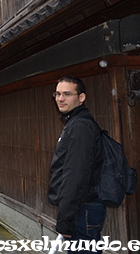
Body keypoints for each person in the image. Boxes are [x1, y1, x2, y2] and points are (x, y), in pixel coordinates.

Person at [48, 76, 105, 253]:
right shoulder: (74, 122)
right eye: (57, 94)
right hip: (82, 207)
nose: (60, 98)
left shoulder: (80, 126)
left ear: (81, 98)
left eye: (67, 94)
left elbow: (75, 176)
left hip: (83, 208)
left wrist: (65, 221)